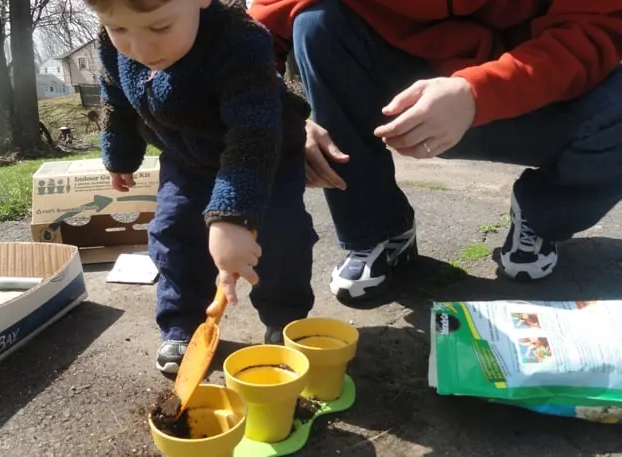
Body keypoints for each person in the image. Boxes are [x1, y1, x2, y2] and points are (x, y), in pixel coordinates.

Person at [248, 0, 622, 302]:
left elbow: (593, 29)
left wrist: (478, 93)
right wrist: (283, 112)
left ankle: (543, 215)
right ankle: (379, 231)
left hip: (530, 91)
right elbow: (258, 31)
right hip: (402, 91)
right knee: (317, 24)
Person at [85, 0, 317, 373]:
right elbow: (116, 101)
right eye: (120, 29)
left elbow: (252, 133)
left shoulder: (239, 39)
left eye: (160, 28)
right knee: (172, 231)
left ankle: (285, 319)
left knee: (278, 234)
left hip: (262, 155)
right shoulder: (113, 47)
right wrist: (120, 157)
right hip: (187, 157)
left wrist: (233, 218)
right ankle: (182, 324)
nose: (141, 49)